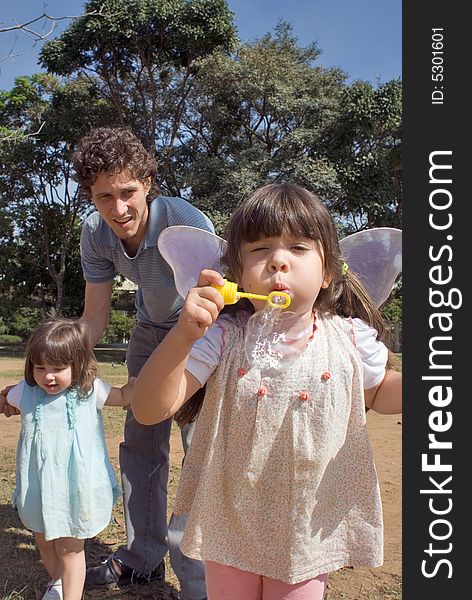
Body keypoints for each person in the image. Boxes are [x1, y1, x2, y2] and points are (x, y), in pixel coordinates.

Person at [131, 183, 402, 600]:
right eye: (259, 250)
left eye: (298, 247)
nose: (278, 260)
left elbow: (381, 392)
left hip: (306, 523)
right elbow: (150, 410)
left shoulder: (349, 337)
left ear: (329, 270)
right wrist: (182, 337)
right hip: (230, 519)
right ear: (236, 274)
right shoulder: (221, 337)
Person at [73, 127, 210, 599]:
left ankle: (201, 573)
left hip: (201, 331)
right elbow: (94, 318)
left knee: (201, 451)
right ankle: (142, 560)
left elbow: (211, 304)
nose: (118, 209)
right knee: (141, 443)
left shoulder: (184, 225)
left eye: (127, 192)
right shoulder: (95, 235)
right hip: (150, 332)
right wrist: (66, 363)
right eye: (103, 196)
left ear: (149, 182)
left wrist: (192, 339)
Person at [1, 318, 134, 600]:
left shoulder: (89, 391)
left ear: (79, 365)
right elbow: (5, 398)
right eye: (40, 368)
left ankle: (71, 594)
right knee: (43, 539)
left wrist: (136, 386)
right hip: (39, 487)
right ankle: (59, 582)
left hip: (77, 489)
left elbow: (122, 397)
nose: (48, 376)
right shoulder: (27, 392)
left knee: (71, 548)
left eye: (58, 368)